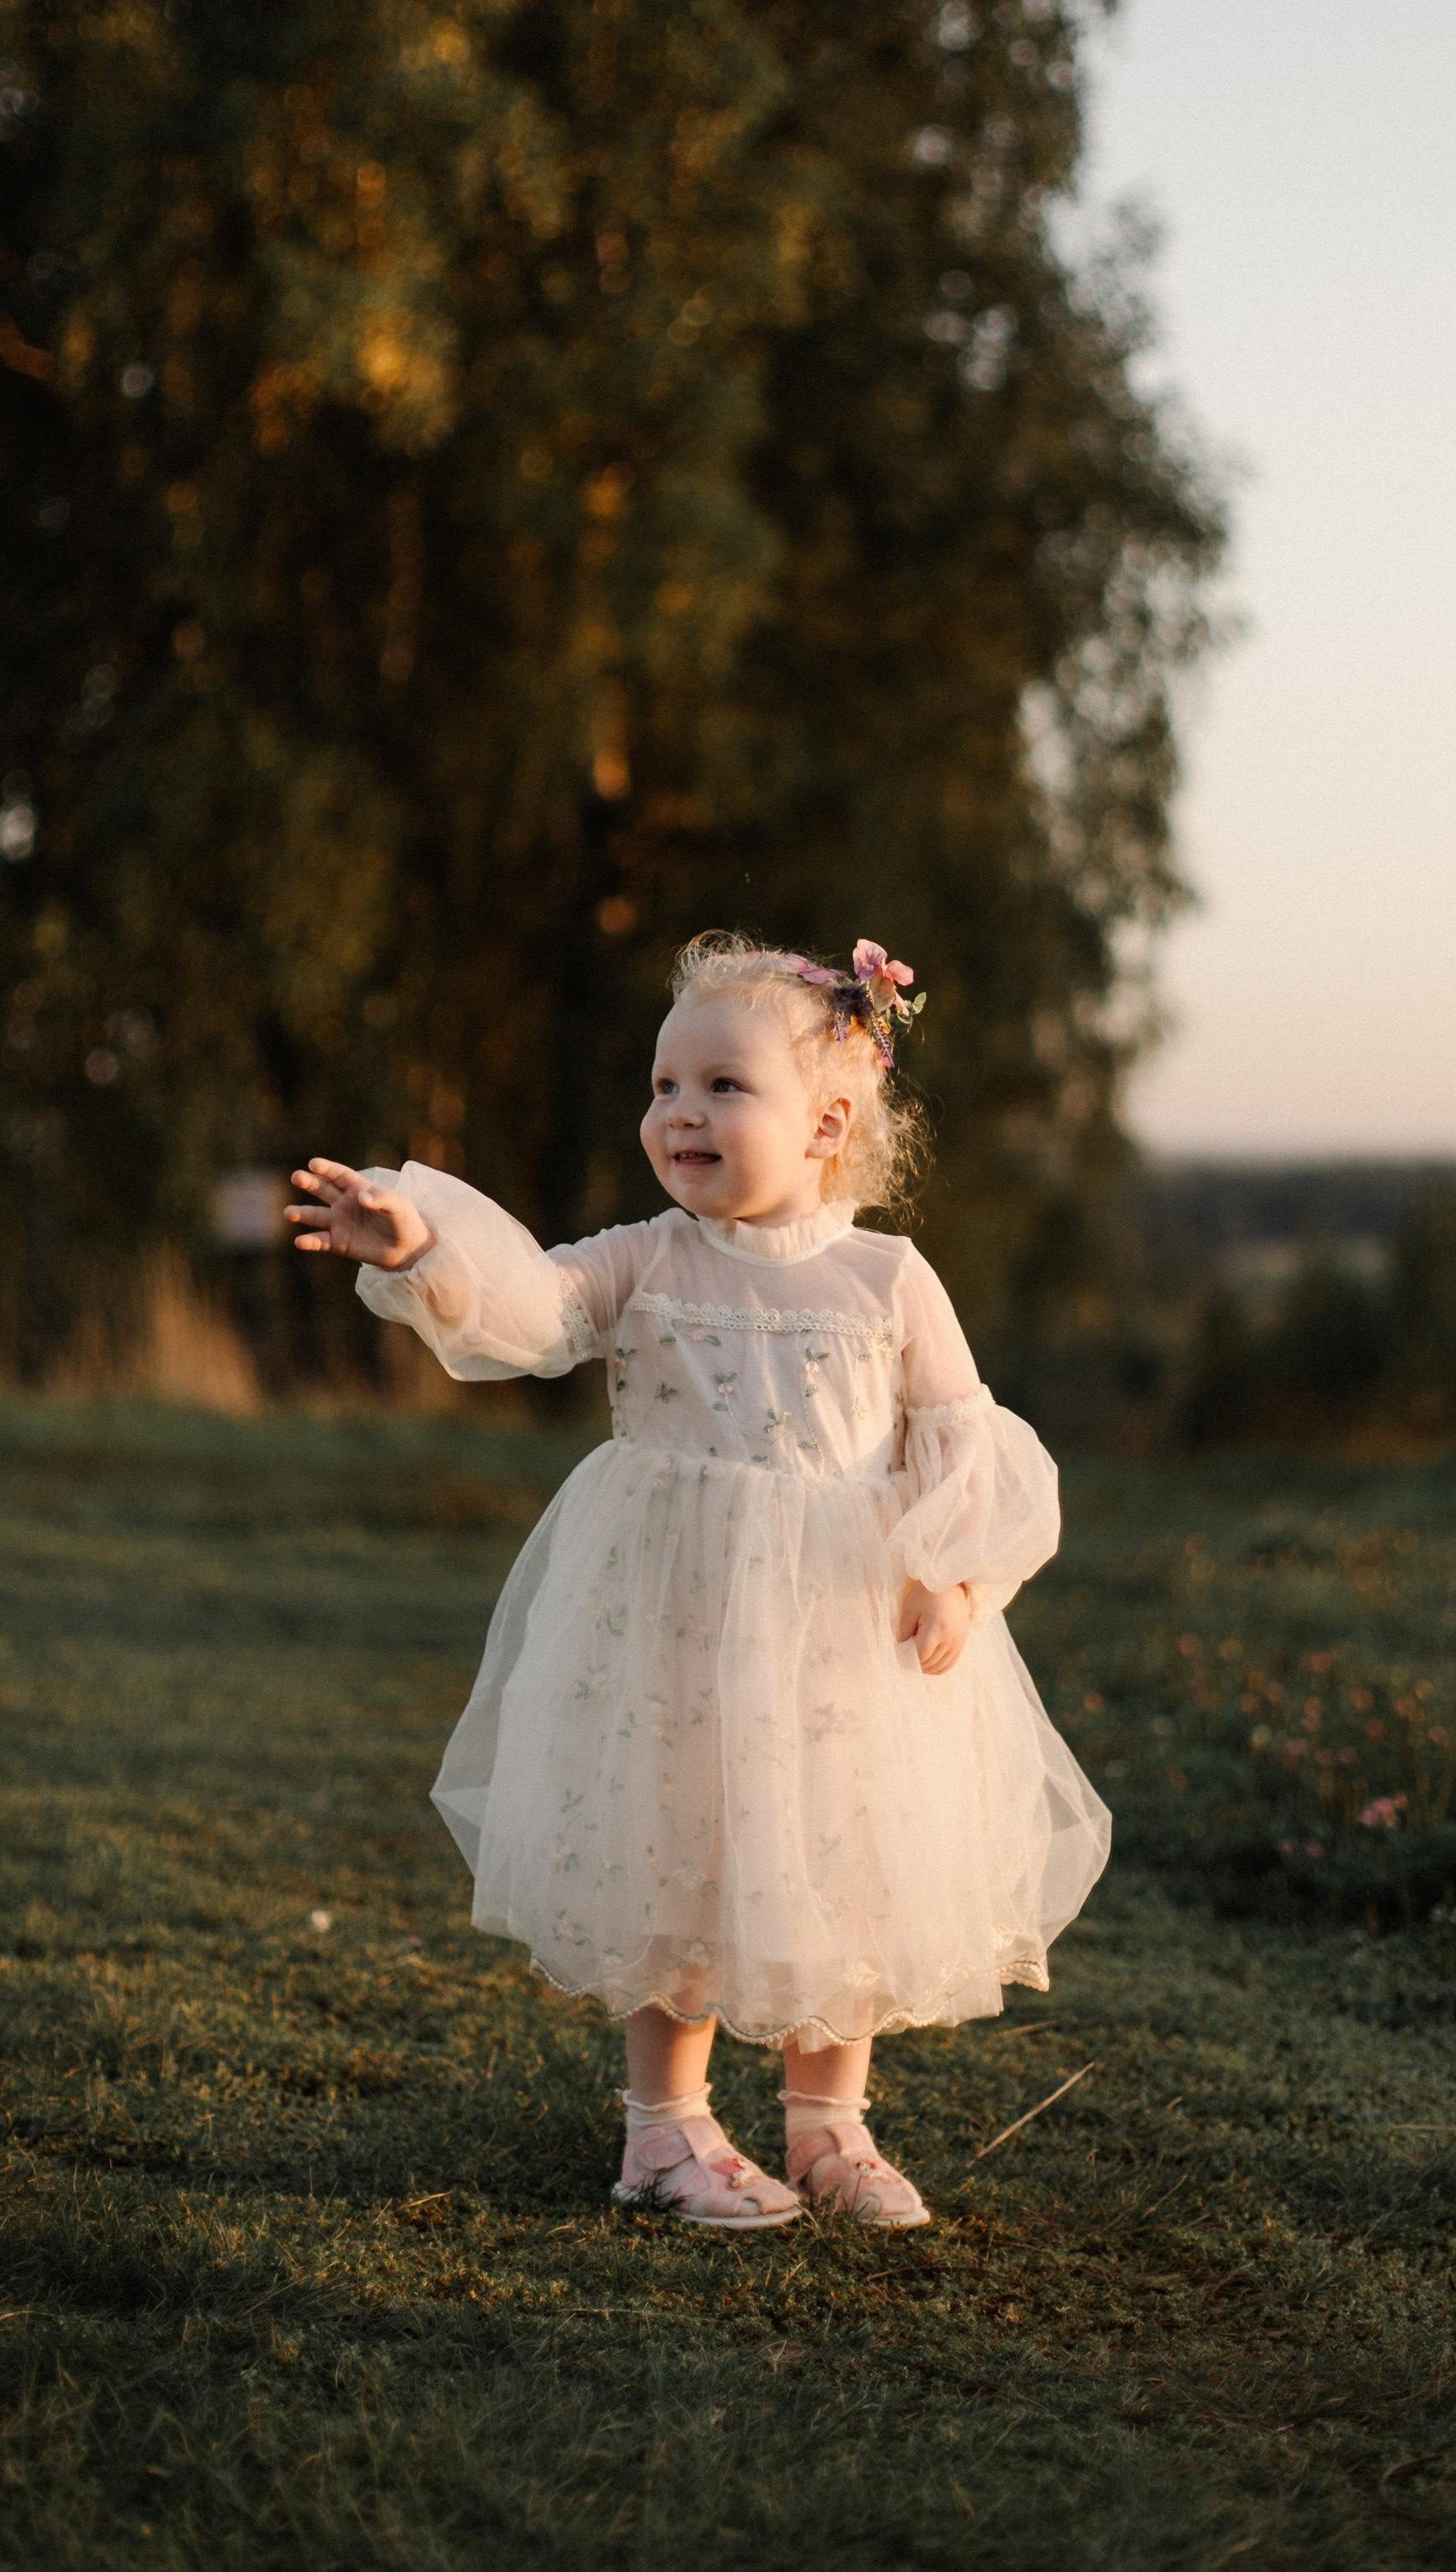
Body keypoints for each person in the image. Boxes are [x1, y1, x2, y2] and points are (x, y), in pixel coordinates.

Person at [287, 932, 1111, 2232]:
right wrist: (419, 1247)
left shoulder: (890, 1280)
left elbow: (967, 1449)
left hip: (839, 1642)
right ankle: (664, 2134)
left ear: (829, 1119)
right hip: (670, 1632)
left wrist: (957, 1581)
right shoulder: (649, 1261)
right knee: (675, 1852)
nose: (680, 1113)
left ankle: (828, 2129)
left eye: (724, 1087)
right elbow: (534, 1308)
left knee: (836, 1856)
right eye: (665, 1086)